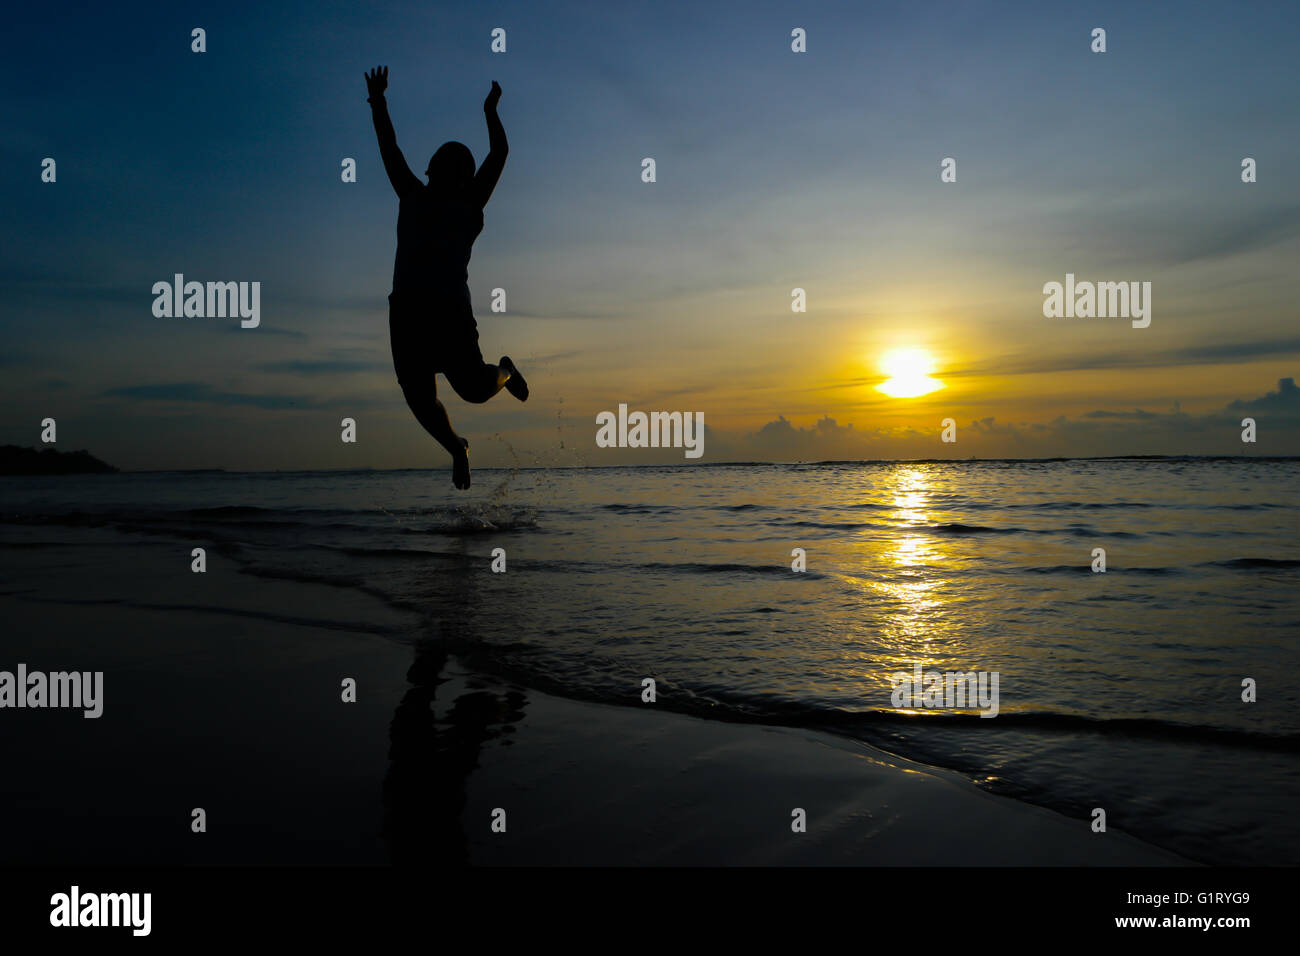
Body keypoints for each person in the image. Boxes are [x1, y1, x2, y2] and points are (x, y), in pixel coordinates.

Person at [366, 66, 528, 489]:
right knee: (419, 398)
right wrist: (378, 101)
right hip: (406, 312)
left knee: (474, 390)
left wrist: (490, 111)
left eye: (453, 161)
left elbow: (499, 155)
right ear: (431, 167)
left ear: (461, 174)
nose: (440, 163)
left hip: (449, 310)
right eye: (439, 158)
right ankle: (457, 447)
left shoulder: (471, 202)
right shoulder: (411, 193)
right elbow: (389, 146)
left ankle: (505, 370)